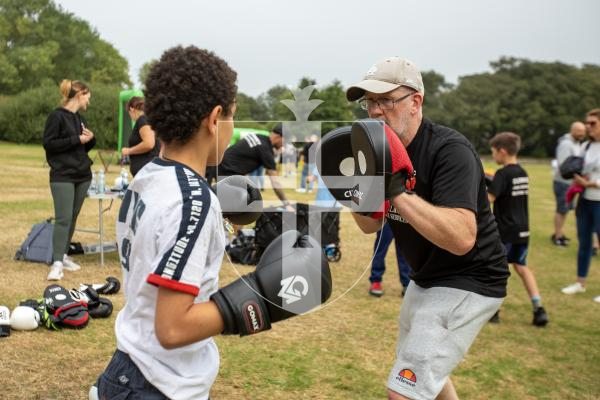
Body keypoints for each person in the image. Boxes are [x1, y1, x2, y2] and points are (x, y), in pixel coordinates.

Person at [95, 46, 331, 400]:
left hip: (133, 362)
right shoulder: (192, 201)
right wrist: (261, 300)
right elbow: (172, 328)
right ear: (215, 117)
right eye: (232, 117)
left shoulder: (149, 177)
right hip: (158, 382)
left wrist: (221, 222)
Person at [344, 57, 509, 400]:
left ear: (415, 102)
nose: (374, 112)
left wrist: (395, 191)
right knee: (424, 375)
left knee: (404, 391)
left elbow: (462, 238)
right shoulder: (380, 152)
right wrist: (354, 191)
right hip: (426, 278)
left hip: (470, 279)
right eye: (369, 102)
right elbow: (370, 224)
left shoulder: (450, 150)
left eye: (385, 101)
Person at [487, 132, 549, 326]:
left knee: (498, 269)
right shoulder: (522, 172)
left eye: (494, 153)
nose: (493, 157)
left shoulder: (503, 174)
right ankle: (538, 308)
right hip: (523, 230)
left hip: (505, 230)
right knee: (522, 267)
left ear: (502, 151)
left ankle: (493, 311)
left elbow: (490, 198)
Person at [43, 79, 95, 281]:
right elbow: (49, 144)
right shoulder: (56, 116)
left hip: (83, 174)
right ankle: (56, 265)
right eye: (87, 97)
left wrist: (90, 139)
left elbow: (81, 147)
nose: (88, 101)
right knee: (63, 219)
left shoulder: (79, 118)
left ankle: (63, 256)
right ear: (79, 95)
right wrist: (77, 140)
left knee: (72, 218)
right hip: (63, 175)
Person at [561, 108, 600, 302]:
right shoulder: (586, 146)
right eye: (587, 123)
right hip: (585, 200)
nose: (588, 127)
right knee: (584, 243)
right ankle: (580, 282)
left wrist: (592, 183)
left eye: (593, 123)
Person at [217, 124, 294, 211]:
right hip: (227, 174)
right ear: (280, 137)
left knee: (243, 206)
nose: (283, 145)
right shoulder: (265, 149)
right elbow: (275, 183)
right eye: (285, 141)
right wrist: (287, 204)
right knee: (242, 210)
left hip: (220, 168)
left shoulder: (259, 137)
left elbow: (239, 158)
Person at [552, 121, 586, 246]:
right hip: (563, 182)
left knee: (565, 210)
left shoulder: (576, 143)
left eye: (583, 131)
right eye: (579, 131)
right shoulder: (566, 144)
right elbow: (565, 166)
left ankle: (559, 233)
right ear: (573, 130)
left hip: (570, 182)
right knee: (561, 209)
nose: (582, 134)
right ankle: (557, 237)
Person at [368, 223, 412, 297]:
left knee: (404, 251)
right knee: (380, 249)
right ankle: (376, 280)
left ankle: (407, 283)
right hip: (386, 219)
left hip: (403, 219)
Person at [120, 96, 160, 177]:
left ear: (132, 109)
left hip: (146, 172)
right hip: (147, 171)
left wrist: (129, 151)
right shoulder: (147, 119)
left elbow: (149, 143)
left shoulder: (143, 120)